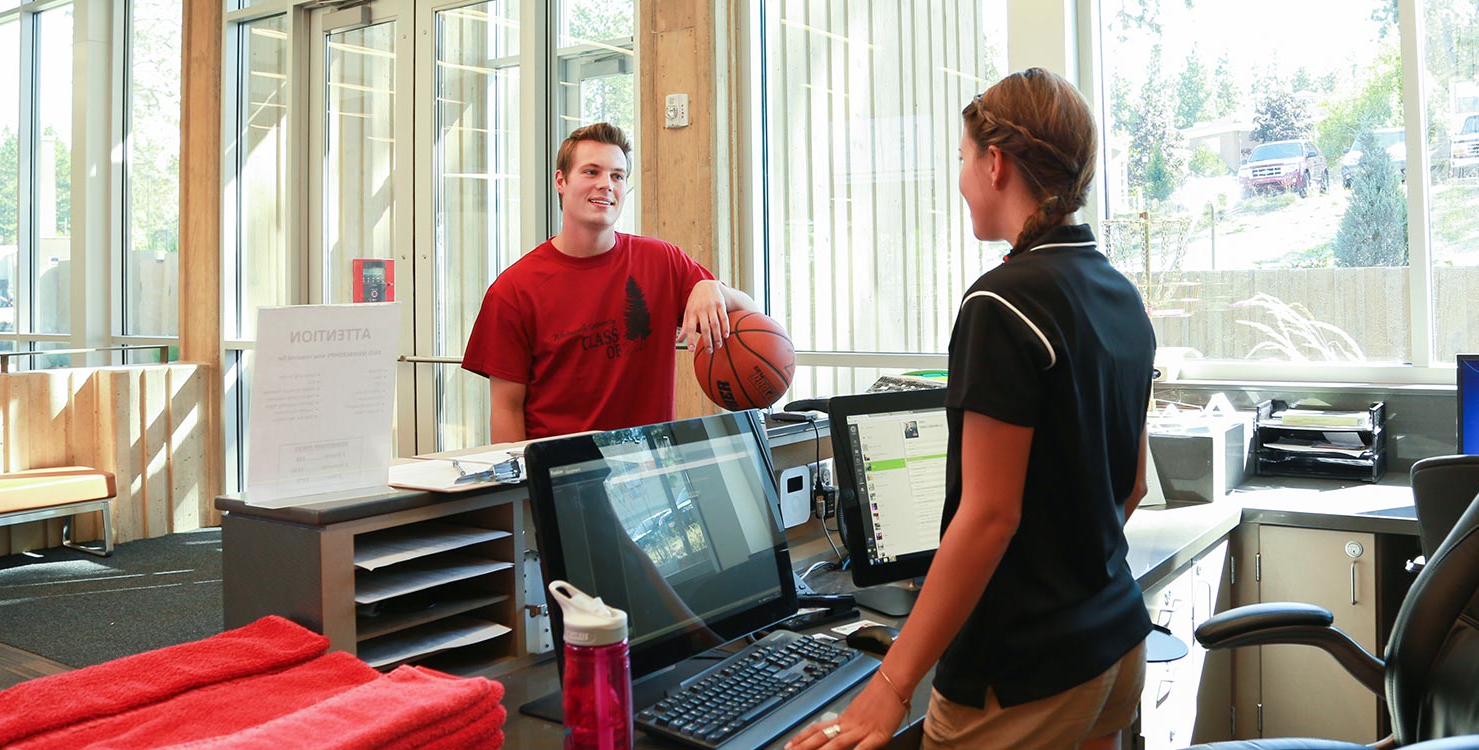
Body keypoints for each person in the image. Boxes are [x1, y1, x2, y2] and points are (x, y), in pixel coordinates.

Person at [787, 68, 1156, 750]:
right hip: (1112, 648)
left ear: (995, 163)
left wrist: (891, 687)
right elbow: (1129, 486)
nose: (959, 179)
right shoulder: (1116, 290)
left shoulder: (1002, 302)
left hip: (1020, 677)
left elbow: (989, 516)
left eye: (962, 158)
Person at [461, 122, 757, 442]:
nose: (606, 184)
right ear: (561, 180)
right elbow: (506, 409)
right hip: (564, 478)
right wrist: (522, 489)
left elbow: (752, 315)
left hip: (652, 473)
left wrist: (713, 288)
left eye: (617, 175)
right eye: (591, 172)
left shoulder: (662, 261)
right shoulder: (513, 290)